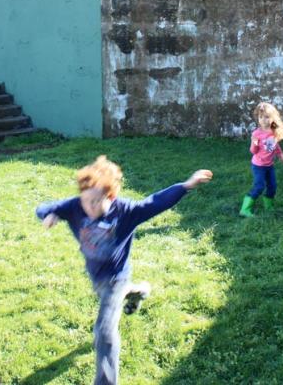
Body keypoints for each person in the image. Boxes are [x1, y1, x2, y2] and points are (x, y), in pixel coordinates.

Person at [36, 155, 213, 385]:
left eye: (95, 202)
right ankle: (139, 292)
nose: (88, 207)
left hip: (116, 277)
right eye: (85, 201)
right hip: (97, 275)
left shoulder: (126, 211)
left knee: (104, 330)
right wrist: (50, 215)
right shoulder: (75, 206)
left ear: (111, 196)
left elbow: (156, 202)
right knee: (115, 299)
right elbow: (43, 207)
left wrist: (187, 185)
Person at [240, 101, 283, 217]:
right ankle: (245, 209)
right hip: (258, 166)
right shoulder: (257, 133)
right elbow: (253, 151)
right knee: (259, 186)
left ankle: (268, 205)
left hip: (269, 165)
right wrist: (254, 142)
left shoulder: (273, 128)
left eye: (267, 117)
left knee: (272, 186)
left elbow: (275, 144)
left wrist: (281, 155)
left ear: (272, 118)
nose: (263, 120)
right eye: (260, 117)